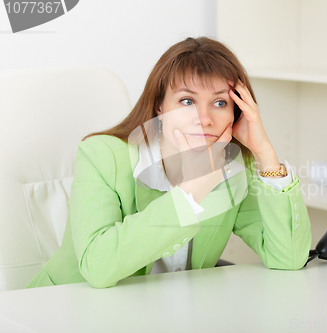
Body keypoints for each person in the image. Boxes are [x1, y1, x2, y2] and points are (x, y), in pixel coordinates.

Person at [26, 37, 311, 289]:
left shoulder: (232, 169)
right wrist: (191, 193)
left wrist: (265, 153)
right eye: (187, 101)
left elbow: (287, 257)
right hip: (64, 309)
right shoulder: (102, 156)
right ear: (159, 106)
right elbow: (97, 267)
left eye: (220, 103)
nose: (204, 118)